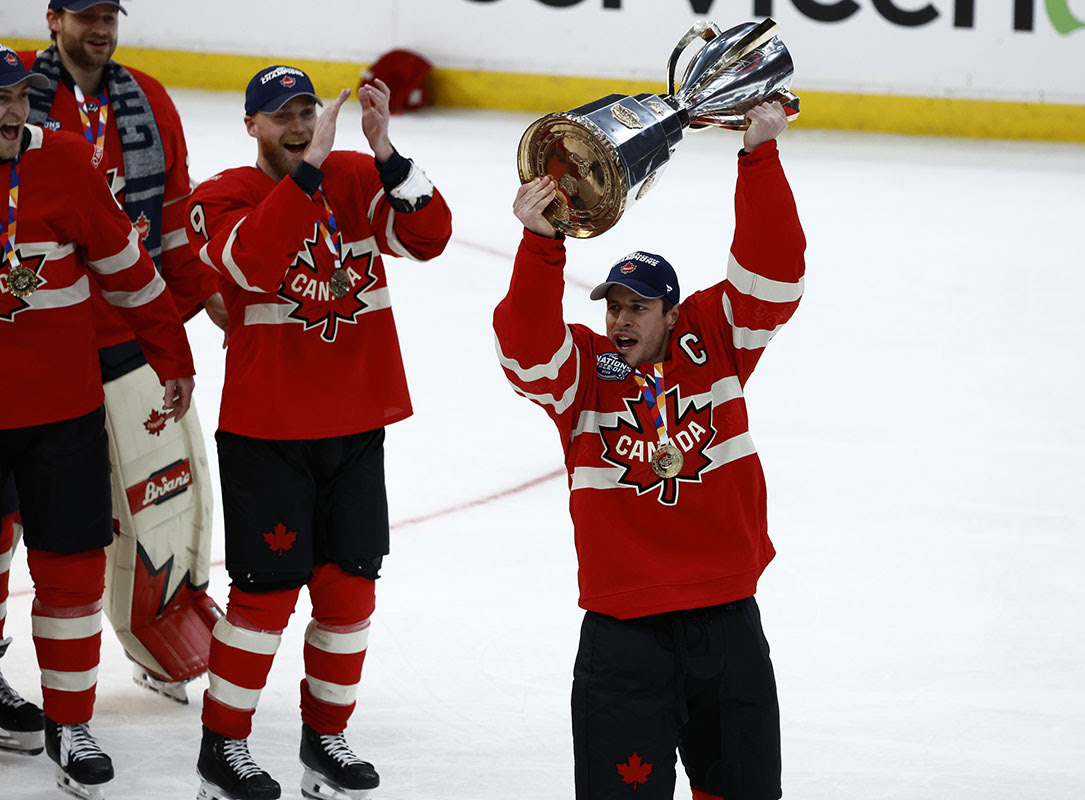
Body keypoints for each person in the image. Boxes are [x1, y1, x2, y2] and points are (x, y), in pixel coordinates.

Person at [495, 101, 804, 800]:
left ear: (670, 312)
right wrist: (541, 245)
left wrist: (758, 156)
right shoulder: (584, 372)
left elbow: (774, 276)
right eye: (614, 305)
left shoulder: (714, 340)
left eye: (638, 307)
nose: (621, 319)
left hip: (725, 619)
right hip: (623, 633)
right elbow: (524, 353)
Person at [185, 65, 451, 800]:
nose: (299, 127)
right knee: (265, 597)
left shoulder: (358, 177)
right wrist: (304, 178)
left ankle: (325, 739)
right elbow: (251, 266)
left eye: (305, 112)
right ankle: (223, 748)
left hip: (357, 423)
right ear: (252, 127)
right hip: (268, 431)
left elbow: (431, 237)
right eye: (281, 117)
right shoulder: (221, 196)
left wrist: (387, 151)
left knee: (350, 594)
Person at [10, 0, 227, 706]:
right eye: (85, 16)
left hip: (130, 339)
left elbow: (172, 217)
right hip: (41, 347)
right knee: (14, 516)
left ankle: (160, 639)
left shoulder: (150, 100)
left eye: (110, 16)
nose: (99, 30)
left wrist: (197, 301)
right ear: (53, 19)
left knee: (161, 497)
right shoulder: (16, 105)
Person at [0, 44, 196, 797]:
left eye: (18, 96)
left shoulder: (67, 163)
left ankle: (71, 723)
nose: (12, 112)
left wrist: (171, 358)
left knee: (72, 572)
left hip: (62, 414)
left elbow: (130, 271)